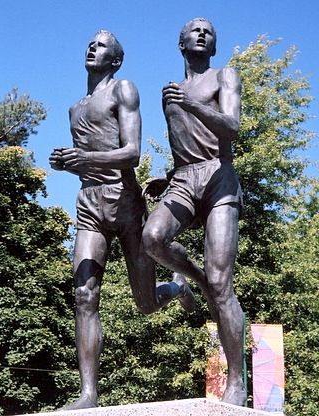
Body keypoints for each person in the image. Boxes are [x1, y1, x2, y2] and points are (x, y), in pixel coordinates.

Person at [49, 30, 195, 410]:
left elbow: (131, 153)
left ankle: (177, 287)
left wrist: (85, 160)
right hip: (89, 205)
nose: (92, 46)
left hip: (125, 203)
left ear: (115, 60)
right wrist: (68, 165)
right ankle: (88, 395)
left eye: (102, 46)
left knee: (145, 304)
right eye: (90, 43)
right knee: (84, 295)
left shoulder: (123, 89)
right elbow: (89, 161)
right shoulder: (75, 108)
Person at [142, 18, 246, 406]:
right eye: (194, 30)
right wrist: (168, 175)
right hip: (185, 178)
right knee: (152, 239)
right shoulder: (169, 93)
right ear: (181, 42)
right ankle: (192, 281)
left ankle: (236, 382)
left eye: (209, 31)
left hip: (220, 177)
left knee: (223, 285)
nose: (202, 33)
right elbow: (185, 142)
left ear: (213, 46)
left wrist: (194, 104)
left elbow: (231, 127)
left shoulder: (224, 75)